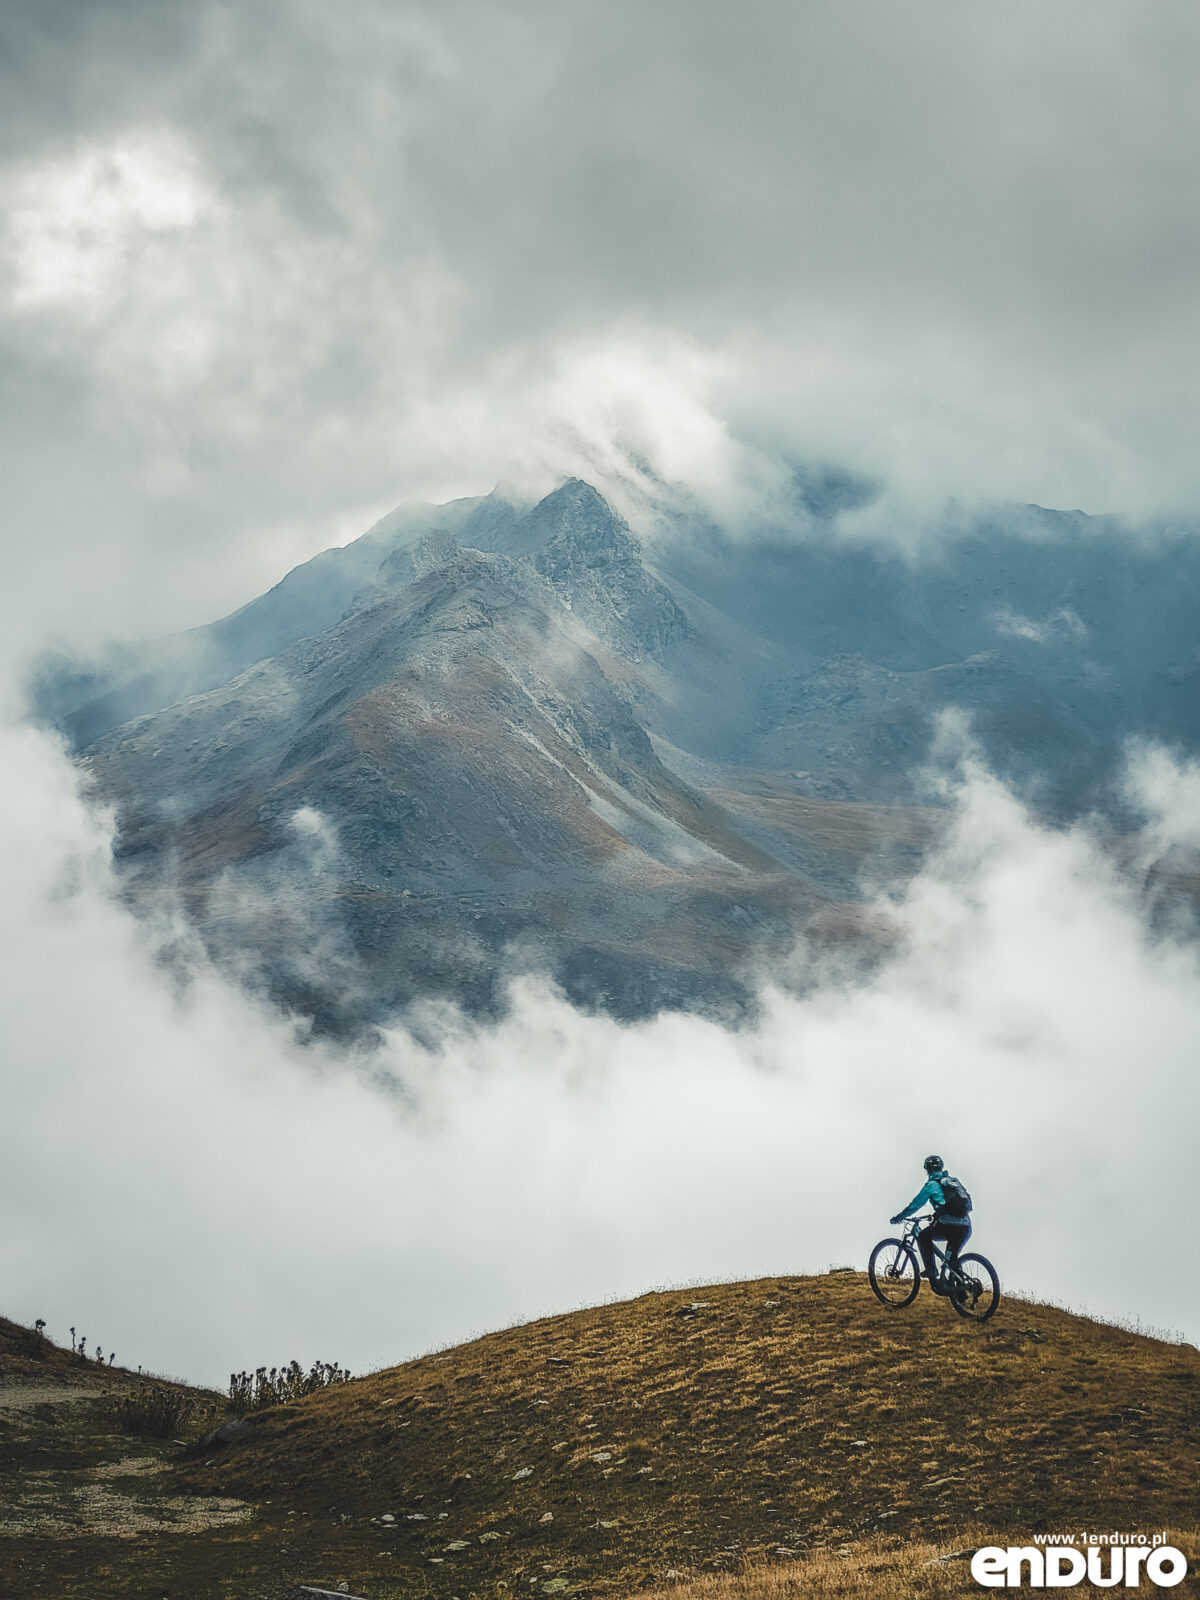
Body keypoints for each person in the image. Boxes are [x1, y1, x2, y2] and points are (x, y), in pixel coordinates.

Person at [890, 1154, 971, 1295]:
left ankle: (931, 1270)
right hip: (965, 1227)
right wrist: (936, 1215)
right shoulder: (952, 1181)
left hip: (949, 1226)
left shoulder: (931, 1185)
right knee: (952, 1259)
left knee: (923, 1236)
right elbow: (949, 1205)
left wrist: (898, 1218)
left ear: (927, 1170)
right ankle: (961, 1293)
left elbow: (914, 1206)